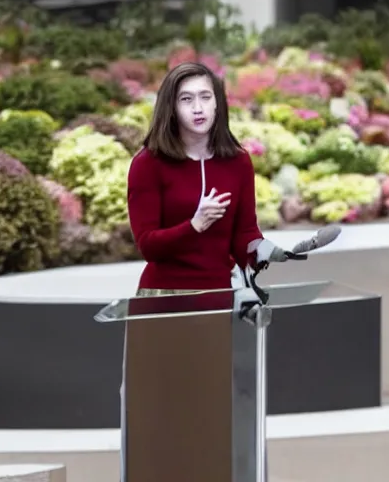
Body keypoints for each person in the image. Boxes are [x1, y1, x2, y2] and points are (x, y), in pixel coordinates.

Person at [120, 62, 283, 481]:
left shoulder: (238, 162)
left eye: (205, 97)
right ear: (170, 108)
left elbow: (244, 234)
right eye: (186, 99)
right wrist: (194, 225)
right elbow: (148, 245)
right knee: (166, 414)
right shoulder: (148, 164)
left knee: (213, 412)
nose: (198, 108)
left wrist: (264, 251)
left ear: (218, 103)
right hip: (164, 306)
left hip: (218, 306)